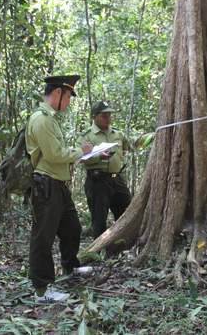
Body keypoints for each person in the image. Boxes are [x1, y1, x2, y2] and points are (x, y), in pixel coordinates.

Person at [25, 75, 95, 303]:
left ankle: (71, 267)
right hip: (46, 187)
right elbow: (55, 155)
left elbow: (57, 154)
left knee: (72, 228)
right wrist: (81, 151)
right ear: (58, 93)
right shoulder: (42, 119)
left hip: (59, 186)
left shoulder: (51, 119)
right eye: (68, 97)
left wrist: (82, 153)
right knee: (42, 238)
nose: (68, 102)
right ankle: (42, 290)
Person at [79, 101, 154, 239]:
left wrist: (151, 137)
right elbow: (80, 157)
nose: (108, 119)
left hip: (116, 179)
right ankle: (100, 252)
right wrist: (98, 157)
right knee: (99, 218)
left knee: (127, 212)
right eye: (104, 116)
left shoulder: (117, 133)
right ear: (94, 117)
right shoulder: (87, 136)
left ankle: (125, 244)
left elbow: (134, 144)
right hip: (97, 181)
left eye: (109, 116)